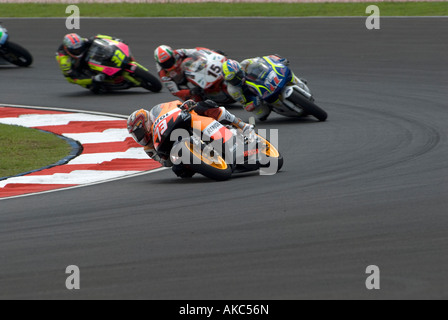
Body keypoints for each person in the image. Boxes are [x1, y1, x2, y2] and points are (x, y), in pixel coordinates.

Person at [127, 100, 254, 168]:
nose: (140, 136)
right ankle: (210, 164)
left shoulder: (159, 113)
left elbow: (174, 106)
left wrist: (186, 104)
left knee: (204, 106)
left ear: (147, 123)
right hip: (181, 154)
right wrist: (166, 159)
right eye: (136, 135)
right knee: (179, 171)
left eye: (140, 131)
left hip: (188, 124)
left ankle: (241, 125)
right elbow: (164, 164)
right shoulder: (149, 148)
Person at [222, 54, 303, 121]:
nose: (238, 79)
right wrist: (253, 103)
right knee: (261, 114)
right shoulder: (233, 90)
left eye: (238, 75)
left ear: (240, 68)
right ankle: (274, 106)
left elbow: (265, 60)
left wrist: (278, 60)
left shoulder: (246, 63)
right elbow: (245, 104)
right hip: (255, 95)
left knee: (283, 69)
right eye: (233, 80)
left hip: (263, 80)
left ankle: (298, 82)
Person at [154, 45, 226, 101]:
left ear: (172, 55)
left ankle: (210, 80)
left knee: (193, 60)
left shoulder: (179, 53)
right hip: (180, 82)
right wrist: (191, 92)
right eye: (164, 63)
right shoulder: (163, 74)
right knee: (194, 102)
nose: (168, 64)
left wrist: (213, 52)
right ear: (159, 63)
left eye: (169, 60)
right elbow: (175, 92)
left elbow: (197, 50)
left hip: (189, 70)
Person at [55, 33, 123, 92]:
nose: (78, 51)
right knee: (91, 85)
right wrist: (93, 79)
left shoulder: (79, 42)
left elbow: (96, 38)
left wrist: (114, 40)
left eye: (80, 48)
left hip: (83, 57)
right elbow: (73, 78)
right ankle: (94, 81)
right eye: (75, 50)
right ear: (68, 49)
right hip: (74, 68)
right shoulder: (64, 61)